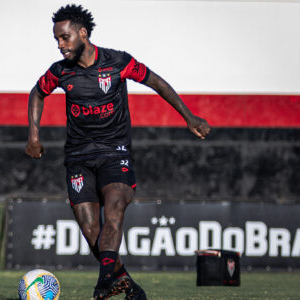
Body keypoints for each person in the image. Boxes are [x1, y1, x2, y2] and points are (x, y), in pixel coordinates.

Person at [25, 4, 210, 300]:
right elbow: (37, 92)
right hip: (79, 157)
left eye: (65, 37)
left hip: (116, 152)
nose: (60, 45)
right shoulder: (60, 72)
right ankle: (125, 283)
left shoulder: (118, 61)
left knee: (114, 212)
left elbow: (157, 82)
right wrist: (34, 135)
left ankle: (103, 284)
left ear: (83, 33)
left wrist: (189, 117)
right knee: (90, 231)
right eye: (57, 39)